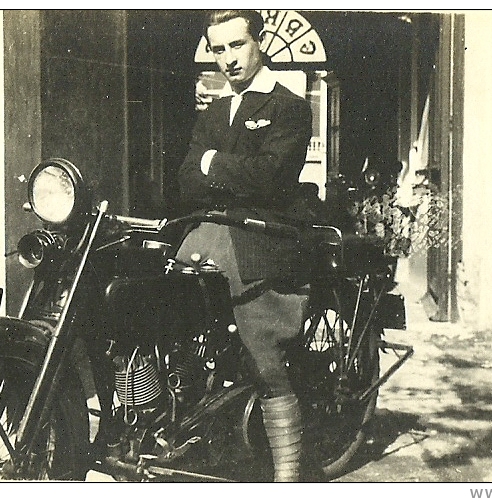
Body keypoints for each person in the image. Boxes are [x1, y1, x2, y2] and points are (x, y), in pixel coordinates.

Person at [176, 10, 314, 482]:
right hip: (207, 234)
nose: (229, 59)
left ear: (259, 43)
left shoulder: (289, 107)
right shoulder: (214, 113)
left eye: (237, 45)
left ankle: (287, 475)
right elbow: (186, 184)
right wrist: (227, 168)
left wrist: (212, 163)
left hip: (260, 240)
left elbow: (272, 180)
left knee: (263, 353)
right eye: (218, 49)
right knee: (174, 327)